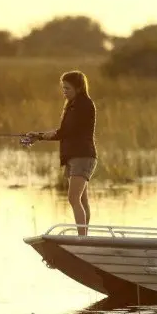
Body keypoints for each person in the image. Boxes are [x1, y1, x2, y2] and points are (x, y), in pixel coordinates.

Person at [26, 71, 98, 236]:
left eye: (67, 88)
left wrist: (43, 135)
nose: (64, 91)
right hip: (75, 157)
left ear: (78, 87)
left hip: (82, 156)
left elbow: (68, 131)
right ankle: (84, 237)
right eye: (63, 88)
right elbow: (64, 132)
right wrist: (39, 136)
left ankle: (82, 239)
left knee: (74, 198)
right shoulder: (73, 104)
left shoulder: (83, 104)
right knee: (82, 200)